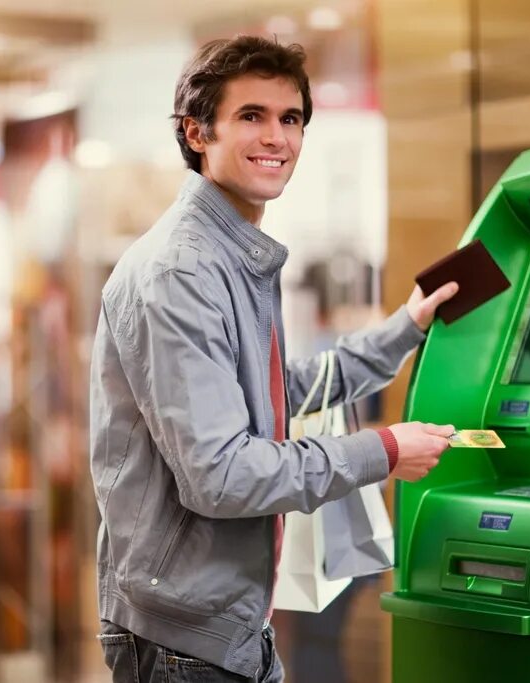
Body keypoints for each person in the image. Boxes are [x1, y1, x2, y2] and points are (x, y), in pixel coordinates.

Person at [89, 35, 459, 682]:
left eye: (291, 119)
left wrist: (406, 327)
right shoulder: (183, 270)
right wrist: (385, 451)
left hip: (220, 623)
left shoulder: (233, 256)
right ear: (196, 133)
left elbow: (282, 392)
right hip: (184, 641)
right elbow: (223, 473)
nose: (277, 138)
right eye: (251, 116)